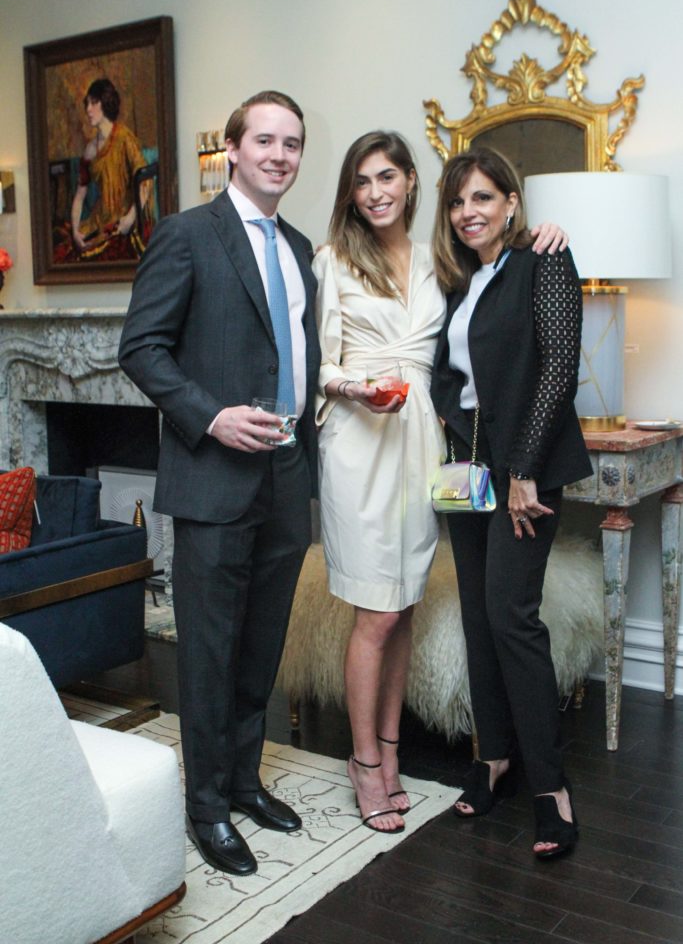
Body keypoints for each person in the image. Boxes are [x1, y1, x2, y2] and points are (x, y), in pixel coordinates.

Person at [313, 133, 566, 835]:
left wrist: (543, 231)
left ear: (409, 182)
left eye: (386, 176)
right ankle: (366, 764)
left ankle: (399, 756)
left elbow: (514, 337)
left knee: (409, 603)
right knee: (377, 610)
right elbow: (313, 364)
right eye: (360, 181)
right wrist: (356, 388)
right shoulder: (332, 261)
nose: (374, 193)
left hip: (435, 446)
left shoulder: (441, 263)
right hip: (362, 441)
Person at [119, 90, 321, 877]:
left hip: (285, 471)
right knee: (206, 651)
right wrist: (210, 417)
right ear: (232, 150)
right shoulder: (186, 235)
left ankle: (242, 782)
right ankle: (203, 806)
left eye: (292, 143)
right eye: (264, 140)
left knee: (260, 645)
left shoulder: (300, 247)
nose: (279, 154)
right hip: (213, 474)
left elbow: (294, 357)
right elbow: (142, 348)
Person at [429, 146, 592, 859]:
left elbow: (558, 366)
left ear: (510, 203)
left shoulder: (544, 263)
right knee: (475, 615)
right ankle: (491, 755)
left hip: (522, 466)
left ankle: (550, 788)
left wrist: (523, 468)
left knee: (510, 616)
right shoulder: (457, 281)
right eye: (459, 202)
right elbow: (448, 373)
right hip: (466, 468)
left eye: (482, 199)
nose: (469, 213)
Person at [67, 78, 153, 261]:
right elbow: (80, 195)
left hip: (125, 216)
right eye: (87, 104)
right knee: (68, 251)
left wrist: (131, 216)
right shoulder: (90, 150)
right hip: (101, 218)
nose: (88, 109)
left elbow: (144, 180)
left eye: (94, 102)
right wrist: (75, 231)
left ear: (105, 102)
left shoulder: (124, 138)